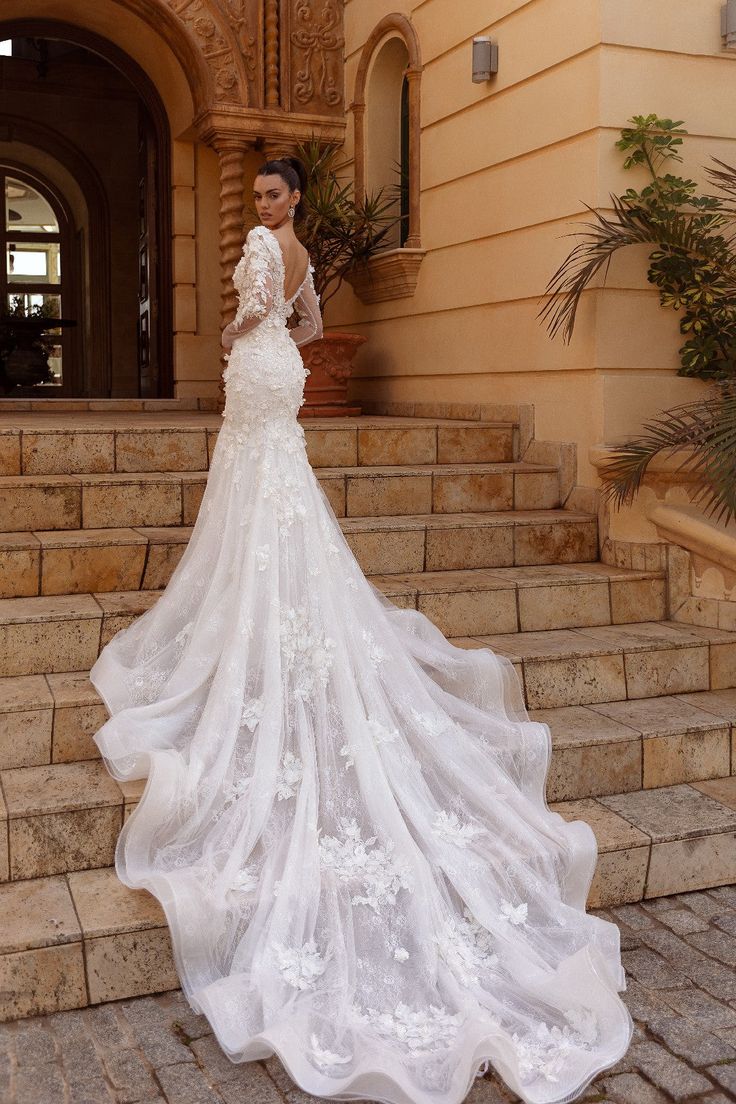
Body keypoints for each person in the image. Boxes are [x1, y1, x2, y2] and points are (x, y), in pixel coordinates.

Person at [90, 155, 633, 1104]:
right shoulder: (304, 252)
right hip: (284, 384)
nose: (261, 207)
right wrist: (271, 332)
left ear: (288, 199)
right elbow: (313, 327)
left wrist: (232, 333)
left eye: (271, 194)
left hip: (260, 377)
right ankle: (273, 616)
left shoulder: (263, 248)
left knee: (258, 502)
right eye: (257, 195)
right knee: (275, 502)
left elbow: (262, 316)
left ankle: (250, 626)